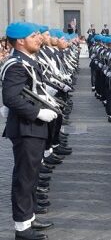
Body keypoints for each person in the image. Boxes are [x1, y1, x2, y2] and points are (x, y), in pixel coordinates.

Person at [1, 22, 55, 240]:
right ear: (21, 41)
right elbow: (11, 98)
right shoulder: (16, 64)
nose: (38, 39)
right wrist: (37, 113)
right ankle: (22, 227)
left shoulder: (27, 61)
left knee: (31, 176)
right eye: (33, 36)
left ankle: (30, 218)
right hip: (26, 127)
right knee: (24, 177)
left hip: (32, 128)